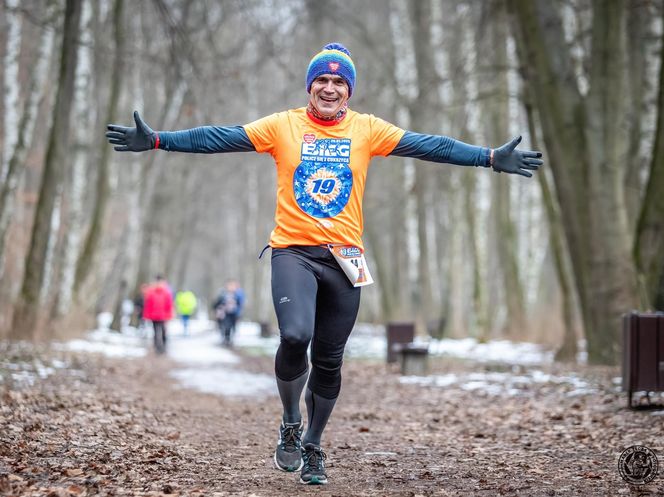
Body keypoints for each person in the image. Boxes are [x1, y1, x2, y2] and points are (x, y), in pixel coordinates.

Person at [106, 43, 542, 485]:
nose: (329, 88)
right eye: (322, 80)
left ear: (348, 90)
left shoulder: (368, 130)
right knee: (296, 335)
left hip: (344, 260)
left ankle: (313, 444)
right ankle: (290, 422)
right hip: (293, 251)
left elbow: (432, 146)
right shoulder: (283, 126)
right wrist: (160, 139)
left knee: (330, 361)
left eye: (339, 82)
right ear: (310, 86)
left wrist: (488, 157)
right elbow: (219, 137)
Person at [142, 275, 174, 354]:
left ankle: (163, 347)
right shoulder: (151, 292)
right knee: (156, 332)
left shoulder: (166, 292)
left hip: (163, 316)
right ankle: (157, 348)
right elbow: (148, 305)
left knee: (163, 331)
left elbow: (169, 305)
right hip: (154, 316)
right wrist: (146, 315)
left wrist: (169, 315)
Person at [212, 279, 245, 346]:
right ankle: (226, 338)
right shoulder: (224, 294)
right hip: (225, 314)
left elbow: (239, 304)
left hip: (234, 313)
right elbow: (218, 303)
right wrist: (217, 309)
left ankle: (229, 338)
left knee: (232, 326)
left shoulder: (237, 294)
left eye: (233, 286)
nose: (231, 288)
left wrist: (238, 311)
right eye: (230, 286)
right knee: (226, 325)